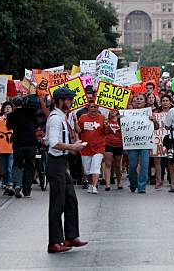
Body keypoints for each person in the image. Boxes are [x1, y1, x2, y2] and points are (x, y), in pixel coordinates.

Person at [45, 87, 88, 254]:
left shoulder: (62, 117)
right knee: (57, 204)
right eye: (68, 99)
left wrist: (72, 146)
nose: (70, 102)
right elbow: (53, 143)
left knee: (71, 199)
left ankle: (71, 236)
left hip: (61, 162)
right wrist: (73, 147)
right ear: (59, 101)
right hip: (55, 163)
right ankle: (54, 242)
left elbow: (50, 139)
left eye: (71, 99)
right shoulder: (56, 119)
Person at [6, 97, 38, 198]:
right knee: (29, 164)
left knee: (17, 163)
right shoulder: (31, 113)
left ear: (13, 105)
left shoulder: (11, 115)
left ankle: (17, 184)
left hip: (18, 142)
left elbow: (9, 127)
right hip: (31, 142)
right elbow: (36, 125)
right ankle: (27, 189)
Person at [76, 102, 106, 194]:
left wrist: (107, 124)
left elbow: (106, 132)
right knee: (87, 169)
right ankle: (90, 184)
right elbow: (78, 130)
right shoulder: (83, 117)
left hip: (99, 147)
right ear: (88, 108)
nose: (94, 108)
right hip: (86, 148)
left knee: (96, 166)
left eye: (96, 107)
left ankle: (94, 186)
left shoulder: (102, 118)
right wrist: (74, 121)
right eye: (92, 107)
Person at [127, 93, 154, 193]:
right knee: (132, 165)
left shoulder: (149, 113)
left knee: (144, 164)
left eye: (140, 99)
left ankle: (142, 186)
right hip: (132, 143)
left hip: (145, 143)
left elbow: (156, 127)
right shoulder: (128, 113)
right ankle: (133, 183)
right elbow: (123, 127)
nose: (138, 100)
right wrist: (119, 119)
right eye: (137, 99)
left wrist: (153, 120)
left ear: (145, 102)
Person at [0, 101, 15, 196]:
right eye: (6, 107)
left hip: (11, 147)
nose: (7, 109)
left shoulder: (16, 119)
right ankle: (5, 182)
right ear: (3, 109)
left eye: (9, 107)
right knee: (3, 168)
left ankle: (10, 184)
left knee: (10, 166)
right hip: (1, 147)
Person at [103, 110, 123, 191]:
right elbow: (105, 132)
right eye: (111, 109)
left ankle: (119, 182)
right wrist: (107, 124)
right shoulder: (106, 120)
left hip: (119, 144)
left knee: (118, 166)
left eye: (114, 109)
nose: (113, 111)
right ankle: (107, 184)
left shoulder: (121, 120)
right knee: (108, 164)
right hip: (108, 144)